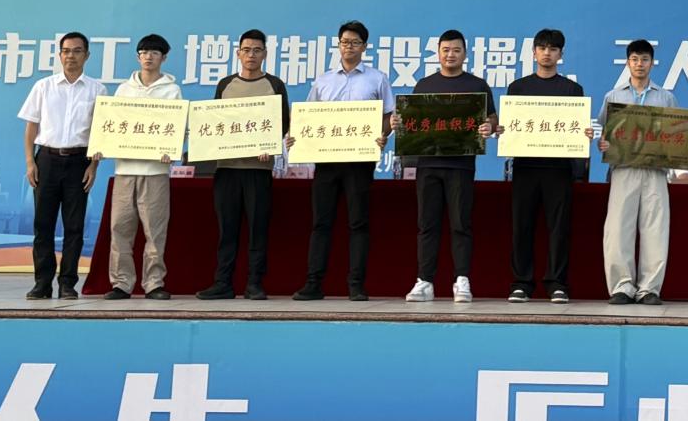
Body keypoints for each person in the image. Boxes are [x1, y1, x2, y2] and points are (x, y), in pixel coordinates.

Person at [392, 30, 497, 303]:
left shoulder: (477, 85)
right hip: (428, 165)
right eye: (446, 50)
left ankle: (461, 280)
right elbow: (411, 122)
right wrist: (398, 123)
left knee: (461, 223)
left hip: (461, 165)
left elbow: (492, 119)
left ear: (465, 54)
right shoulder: (424, 85)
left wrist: (489, 127)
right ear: (438, 53)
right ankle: (424, 281)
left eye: (456, 50)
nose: (451, 55)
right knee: (427, 224)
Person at [292, 21, 394, 302]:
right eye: (345, 42)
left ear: (365, 47)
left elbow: (388, 115)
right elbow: (307, 117)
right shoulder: (323, 81)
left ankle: (356, 285)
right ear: (338, 45)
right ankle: (313, 283)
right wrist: (295, 137)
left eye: (355, 42)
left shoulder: (377, 79)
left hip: (359, 162)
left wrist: (383, 134)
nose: (349, 47)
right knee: (321, 223)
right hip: (327, 162)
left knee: (358, 223)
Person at [597, 39, 688, 306]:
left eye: (644, 59)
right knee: (618, 228)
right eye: (634, 59)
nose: (639, 64)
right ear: (627, 62)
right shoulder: (613, 96)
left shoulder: (666, 97)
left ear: (652, 63)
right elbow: (604, 134)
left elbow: (677, 134)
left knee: (655, 228)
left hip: (656, 171)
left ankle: (649, 288)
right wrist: (602, 144)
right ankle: (621, 286)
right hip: (623, 169)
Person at [499, 28, 593, 304]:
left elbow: (577, 128)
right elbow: (510, 127)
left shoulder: (572, 90)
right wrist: (503, 130)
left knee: (559, 228)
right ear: (533, 53)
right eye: (542, 48)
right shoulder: (518, 88)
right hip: (525, 167)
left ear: (561, 54)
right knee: (522, 227)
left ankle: (557, 284)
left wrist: (583, 134)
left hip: (559, 169)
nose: (547, 53)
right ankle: (521, 283)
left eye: (553, 49)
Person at [196, 29, 290, 301]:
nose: (251, 55)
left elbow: (282, 122)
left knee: (258, 229)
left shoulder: (274, 84)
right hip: (227, 168)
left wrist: (270, 144)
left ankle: (254, 284)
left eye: (257, 50)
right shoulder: (226, 84)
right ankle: (223, 283)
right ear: (238, 53)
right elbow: (215, 122)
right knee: (227, 229)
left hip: (258, 170)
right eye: (247, 50)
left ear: (265, 54)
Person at [18, 31, 107, 300]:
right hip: (46, 160)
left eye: (77, 51)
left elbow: (100, 133)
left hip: (79, 162)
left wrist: (93, 167)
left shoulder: (97, 90)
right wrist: (30, 162)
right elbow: (31, 127)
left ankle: (68, 283)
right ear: (59, 55)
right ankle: (42, 283)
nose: (71, 56)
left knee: (74, 226)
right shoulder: (43, 86)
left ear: (87, 55)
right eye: (66, 51)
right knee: (43, 225)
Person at [99, 34, 182, 301]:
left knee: (155, 231)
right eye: (144, 52)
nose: (149, 57)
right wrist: (102, 145)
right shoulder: (123, 90)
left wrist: (171, 149)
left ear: (164, 58)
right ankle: (121, 283)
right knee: (120, 228)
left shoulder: (172, 91)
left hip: (156, 171)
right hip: (125, 169)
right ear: (138, 57)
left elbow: (178, 128)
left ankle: (154, 283)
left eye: (155, 53)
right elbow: (111, 124)